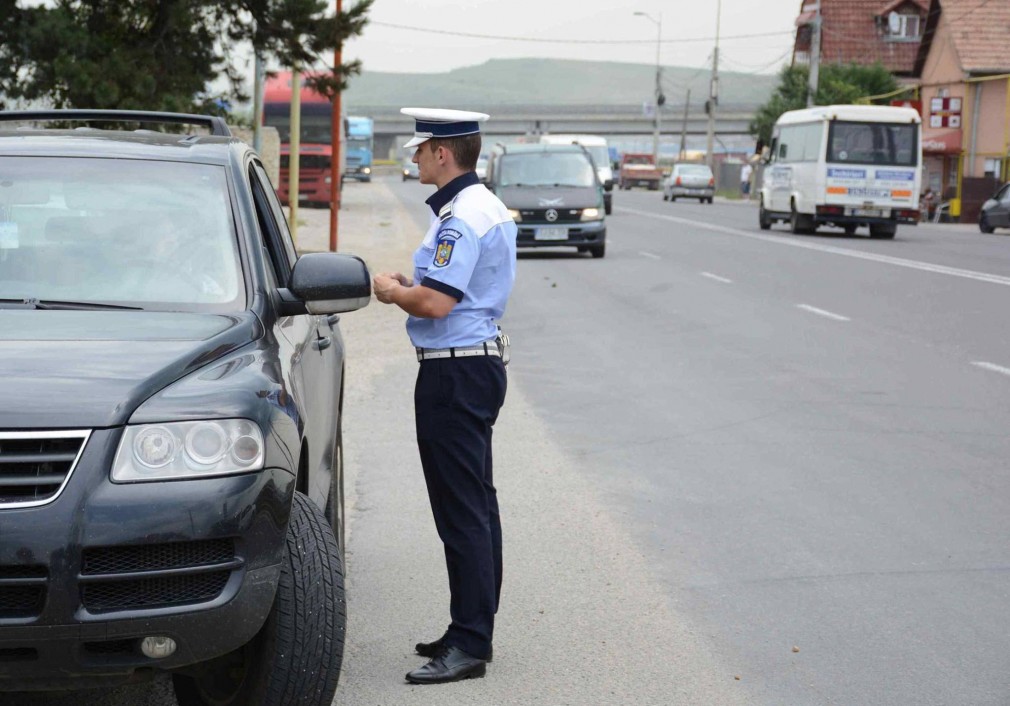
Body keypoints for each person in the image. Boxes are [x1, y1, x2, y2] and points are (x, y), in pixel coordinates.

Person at [372, 107, 517, 685]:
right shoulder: (482, 207)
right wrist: (419, 288)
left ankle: (470, 643)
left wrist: (391, 292)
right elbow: (447, 290)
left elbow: (436, 305)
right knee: (477, 506)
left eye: (420, 148)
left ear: (443, 152)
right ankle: (470, 628)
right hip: (472, 366)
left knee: (462, 513)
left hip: (454, 375)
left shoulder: (462, 217)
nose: (413, 157)